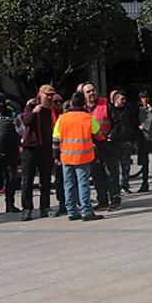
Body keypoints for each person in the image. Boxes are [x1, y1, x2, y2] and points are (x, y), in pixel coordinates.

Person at [52, 91, 103, 221]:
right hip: (83, 156)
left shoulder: (62, 118)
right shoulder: (88, 117)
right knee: (83, 183)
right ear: (84, 103)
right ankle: (86, 211)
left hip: (66, 157)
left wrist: (56, 155)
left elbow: (56, 139)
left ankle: (72, 211)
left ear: (71, 103)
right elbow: (97, 133)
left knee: (68, 184)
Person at [18, 84, 58, 220]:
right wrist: (34, 111)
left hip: (46, 149)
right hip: (30, 148)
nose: (49, 97)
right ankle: (27, 208)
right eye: (47, 95)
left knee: (45, 179)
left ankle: (44, 207)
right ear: (40, 94)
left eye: (51, 95)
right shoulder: (31, 106)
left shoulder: (52, 109)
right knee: (27, 180)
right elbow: (26, 121)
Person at [81, 82, 119, 212]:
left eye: (93, 90)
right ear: (83, 95)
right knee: (97, 176)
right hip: (92, 147)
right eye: (88, 92)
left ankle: (115, 200)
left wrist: (111, 136)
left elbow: (117, 122)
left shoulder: (106, 104)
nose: (92, 93)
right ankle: (102, 201)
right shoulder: (82, 109)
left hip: (107, 145)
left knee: (111, 174)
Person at [109, 90, 139, 197]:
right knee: (115, 166)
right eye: (122, 99)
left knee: (125, 165)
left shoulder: (127, 110)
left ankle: (124, 185)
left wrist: (133, 139)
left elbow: (132, 123)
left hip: (126, 140)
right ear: (116, 100)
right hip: (116, 141)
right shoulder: (111, 111)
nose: (124, 101)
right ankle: (117, 186)